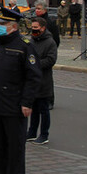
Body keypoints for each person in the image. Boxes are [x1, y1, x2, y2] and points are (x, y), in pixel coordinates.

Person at [0, 7, 41, 174]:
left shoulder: (24, 46)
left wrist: (27, 102)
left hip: (15, 105)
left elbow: (33, 77)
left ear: (13, 26)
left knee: (15, 148)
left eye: (2, 24)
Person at [27, 16, 56, 145]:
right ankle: (32, 132)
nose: (33, 30)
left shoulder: (50, 42)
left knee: (44, 110)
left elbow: (51, 60)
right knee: (33, 109)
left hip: (43, 81)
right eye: (32, 28)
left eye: (36, 28)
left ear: (43, 28)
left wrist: (35, 64)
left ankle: (44, 134)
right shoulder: (32, 41)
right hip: (32, 81)